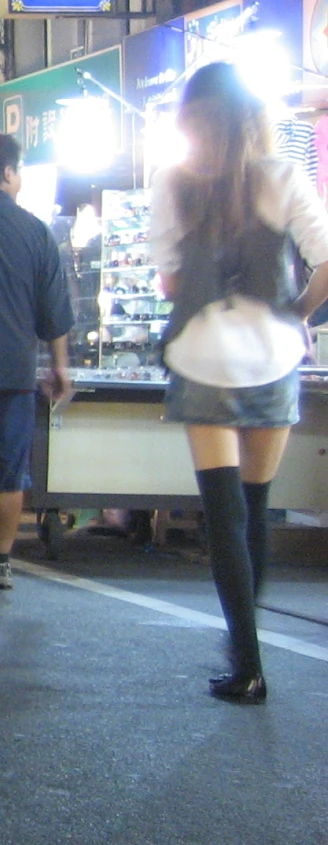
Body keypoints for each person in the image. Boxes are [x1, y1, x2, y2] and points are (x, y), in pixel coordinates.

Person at [149, 62, 328, 704]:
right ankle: (249, 647)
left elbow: (170, 280)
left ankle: (246, 663)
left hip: (203, 359)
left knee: (221, 516)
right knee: (256, 505)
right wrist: (298, 312)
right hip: (275, 356)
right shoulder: (281, 176)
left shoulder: (174, 184)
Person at [0, 132, 74, 590]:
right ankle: (0, 560)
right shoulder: (34, 231)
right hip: (12, 375)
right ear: (8, 173)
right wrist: (60, 365)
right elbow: (54, 311)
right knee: (6, 474)